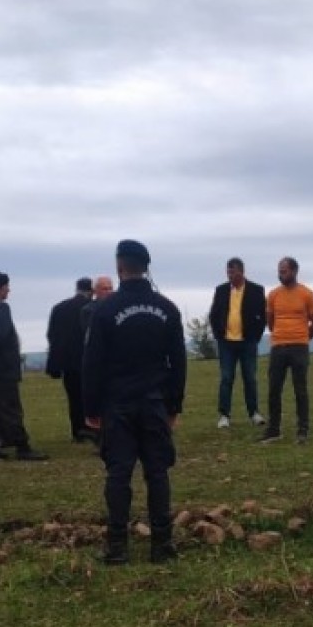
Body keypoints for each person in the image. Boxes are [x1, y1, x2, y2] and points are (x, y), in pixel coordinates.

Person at [82, 239, 188, 565]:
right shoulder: (167, 309)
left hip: (118, 404)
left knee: (118, 474)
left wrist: (90, 409)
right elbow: (178, 362)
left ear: (119, 266)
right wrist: (174, 405)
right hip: (154, 402)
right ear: (146, 267)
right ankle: (162, 545)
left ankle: (117, 547)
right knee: (157, 473)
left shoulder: (104, 309)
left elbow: (92, 362)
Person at [0, 271, 47, 462]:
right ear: (0, 287)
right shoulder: (1, 308)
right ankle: (22, 445)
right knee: (10, 407)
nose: (9, 290)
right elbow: (2, 335)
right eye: (7, 286)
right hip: (2, 367)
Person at [261, 256, 313, 446]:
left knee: (300, 390)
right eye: (279, 271)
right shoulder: (273, 295)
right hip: (278, 346)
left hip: (299, 347)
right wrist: (280, 336)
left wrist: (303, 338)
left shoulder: (307, 294)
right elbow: (270, 321)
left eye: (284, 270)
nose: (281, 274)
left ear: (294, 271)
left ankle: (302, 430)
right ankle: (273, 430)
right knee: (274, 389)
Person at [209, 257, 268, 428]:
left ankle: (254, 413)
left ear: (241, 272)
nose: (230, 275)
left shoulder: (256, 290)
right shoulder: (220, 290)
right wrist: (218, 334)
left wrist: (255, 336)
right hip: (226, 342)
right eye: (228, 272)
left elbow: (262, 317)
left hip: (247, 342)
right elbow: (213, 314)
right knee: (226, 378)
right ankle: (224, 415)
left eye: (233, 272)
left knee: (250, 377)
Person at [46, 277, 95, 443]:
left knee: (73, 397)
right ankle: (91, 428)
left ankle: (77, 430)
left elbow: (52, 335)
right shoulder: (91, 308)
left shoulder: (59, 308)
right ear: (92, 290)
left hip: (67, 362)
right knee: (90, 396)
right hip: (87, 359)